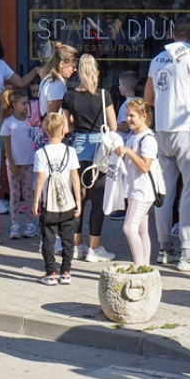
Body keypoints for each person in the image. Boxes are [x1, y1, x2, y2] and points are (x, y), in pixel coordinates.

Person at [144, 15, 190, 272]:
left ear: (173, 34)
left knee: (164, 193)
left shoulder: (157, 59)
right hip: (187, 131)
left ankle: (164, 248)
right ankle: (188, 252)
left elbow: (148, 98)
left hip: (162, 130)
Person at [62, 54, 117, 261]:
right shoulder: (104, 95)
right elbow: (112, 126)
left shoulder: (69, 96)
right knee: (98, 198)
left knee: (79, 198)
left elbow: (66, 127)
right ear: (97, 72)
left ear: (78, 72)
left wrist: (79, 126)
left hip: (79, 146)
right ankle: (95, 248)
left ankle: (77, 245)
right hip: (100, 149)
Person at [33, 112, 82, 285]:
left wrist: (35, 201)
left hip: (49, 204)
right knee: (68, 239)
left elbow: (40, 179)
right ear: (63, 131)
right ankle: (66, 272)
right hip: (67, 203)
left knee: (48, 239)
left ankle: (51, 273)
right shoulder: (71, 151)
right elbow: (75, 177)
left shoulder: (40, 153)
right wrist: (78, 201)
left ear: (46, 131)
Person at [112, 98, 159, 266]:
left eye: (132, 116)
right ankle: (145, 266)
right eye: (126, 115)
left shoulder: (148, 139)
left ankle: (139, 267)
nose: (128, 119)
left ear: (143, 116)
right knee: (141, 229)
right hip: (134, 188)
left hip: (143, 190)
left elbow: (145, 166)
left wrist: (128, 152)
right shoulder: (135, 135)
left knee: (129, 228)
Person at [0, 90, 38, 239]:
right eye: (23, 103)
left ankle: (30, 223)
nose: (26, 106)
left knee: (28, 193)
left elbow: (36, 140)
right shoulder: (8, 123)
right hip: (14, 164)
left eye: (27, 103)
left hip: (29, 162)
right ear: (14, 105)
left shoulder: (31, 121)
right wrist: (12, 164)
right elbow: (7, 147)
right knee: (15, 194)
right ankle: (15, 224)